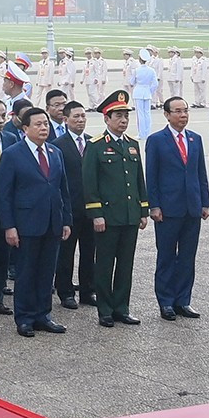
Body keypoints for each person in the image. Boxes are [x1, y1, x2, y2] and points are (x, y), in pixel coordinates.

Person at [0, 107, 72, 337]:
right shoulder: (12, 154)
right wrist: (9, 226)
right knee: (26, 272)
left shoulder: (54, 151)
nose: (44, 128)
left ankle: (43, 314)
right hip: (26, 223)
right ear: (25, 128)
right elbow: (5, 194)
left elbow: (63, 189)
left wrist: (66, 220)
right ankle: (24, 317)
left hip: (52, 221)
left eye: (46, 124)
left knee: (46, 271)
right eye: (38, 124)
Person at [83, 90, 147, 327]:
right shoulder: (96, 146)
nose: (123, 120)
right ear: (106, 119)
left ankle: (122, 307)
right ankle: (105, 309)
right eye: (118, 116)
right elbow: (90, 184)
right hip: (108, 217)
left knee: (125, 264)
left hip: (129, 215)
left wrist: (143, 210)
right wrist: (96, 214)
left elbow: (139, 180)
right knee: (105, 264)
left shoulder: (132, 145)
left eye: (125, 116)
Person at [143, 95, 209, 320]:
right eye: (178, 111)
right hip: (168, 209)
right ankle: (166, 302)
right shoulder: (157, 140)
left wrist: (205, 202)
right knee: (167, 257)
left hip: (192, 207)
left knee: (188, 257)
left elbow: (200, 173)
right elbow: (151, 176)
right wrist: (154, 205)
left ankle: (183, 300)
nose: (183, 115)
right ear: (167, 115)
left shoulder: (195, 139)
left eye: (186, 111)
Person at [51, 101, 95, 308]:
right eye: (76, 117)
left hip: (90, 209)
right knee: (66, 253)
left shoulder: (91, 142)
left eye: (83, 116)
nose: (80, 120)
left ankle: (88, 290)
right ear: (66, 119)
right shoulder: (58, 145)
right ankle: (65, 292)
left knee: (89, 252)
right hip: (69, 208)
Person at [130, 49, 158, 137]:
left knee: (140, 114)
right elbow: (155, 84)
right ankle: (147, 132)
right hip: (147, 92)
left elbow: (131, 82)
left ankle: (141, 134)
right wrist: (150, 91)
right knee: (147, 113)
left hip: (138, 92)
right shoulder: (151, 70)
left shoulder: (137, 70)